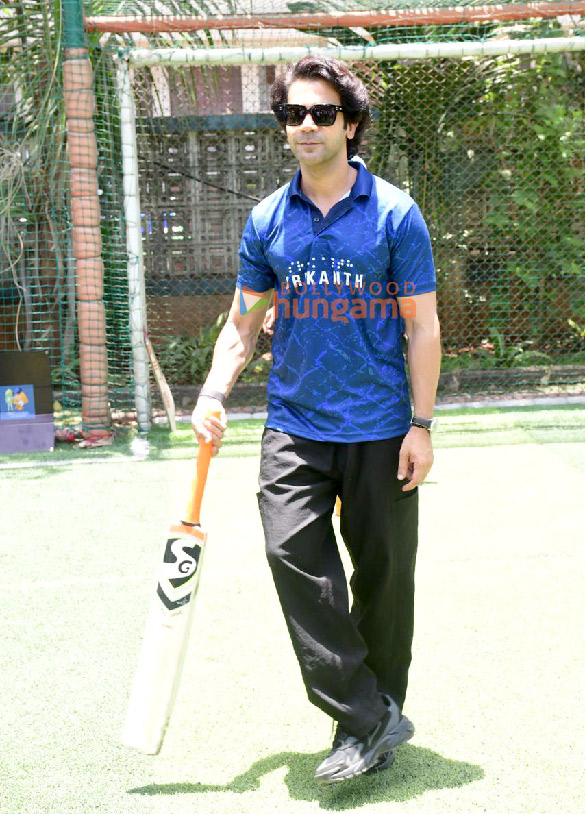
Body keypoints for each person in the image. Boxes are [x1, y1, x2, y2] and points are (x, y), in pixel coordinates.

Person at [192, 55, 441, 784]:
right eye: (292, 114)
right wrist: (212, 392)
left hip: (379, 425)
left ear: (349, 124)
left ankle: (364, 728)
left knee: (385, 579)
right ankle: (369, 712)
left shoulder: (394, 212)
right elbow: (243, 324)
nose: (305, 125)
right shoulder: (268, 219)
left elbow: (421, 326)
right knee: (291, 558)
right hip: (295, 423)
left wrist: (420, 424)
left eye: (320, 113)